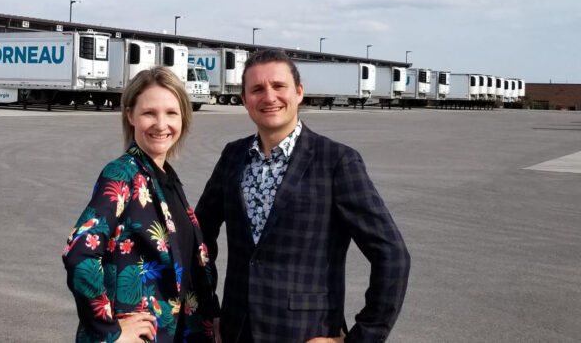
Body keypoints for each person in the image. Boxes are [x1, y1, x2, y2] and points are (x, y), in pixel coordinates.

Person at [195, 49, 410, 343]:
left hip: (305, 333)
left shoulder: (336, 161)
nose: (269, 97)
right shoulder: (233, 156)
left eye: (278, 86)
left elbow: (392, 255)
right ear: (244, 100)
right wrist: (210, 312)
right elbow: (199, 238)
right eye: (257, 89)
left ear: (298, 92)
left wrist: (362, 338)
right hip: (235, 331)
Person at [63, 66, 215, 342]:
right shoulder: (122, 174)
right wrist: (110, 332)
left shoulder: (167, 180)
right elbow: (80, 253)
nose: (161, 124)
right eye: (149, 113)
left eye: (171, 112)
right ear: (130, 115)